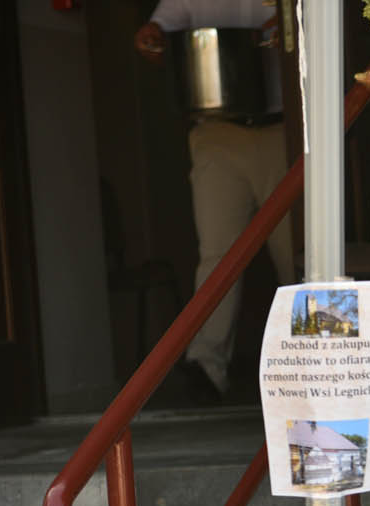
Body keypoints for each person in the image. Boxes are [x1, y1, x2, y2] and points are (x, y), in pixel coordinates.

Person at [135, 0, 293, 402]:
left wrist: (291, 24)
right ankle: (206, 367)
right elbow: (158, 31)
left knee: (296, 255)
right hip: (216, 132)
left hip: (283, 128)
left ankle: (315, 360)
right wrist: (150, 38)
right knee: (217, 255)